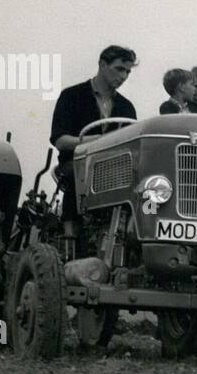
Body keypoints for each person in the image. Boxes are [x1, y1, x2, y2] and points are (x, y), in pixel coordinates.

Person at [49, 45, 138, 238]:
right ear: (102, 65)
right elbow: (60, 140)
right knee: (81, 173)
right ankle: (69, 237)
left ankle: (130, 235)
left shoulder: (126, 107)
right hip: (76, 163)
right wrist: (99, 140)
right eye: (119, 69)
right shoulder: (71, 96)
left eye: (128, 72)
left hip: (115, 167)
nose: (123, 77)